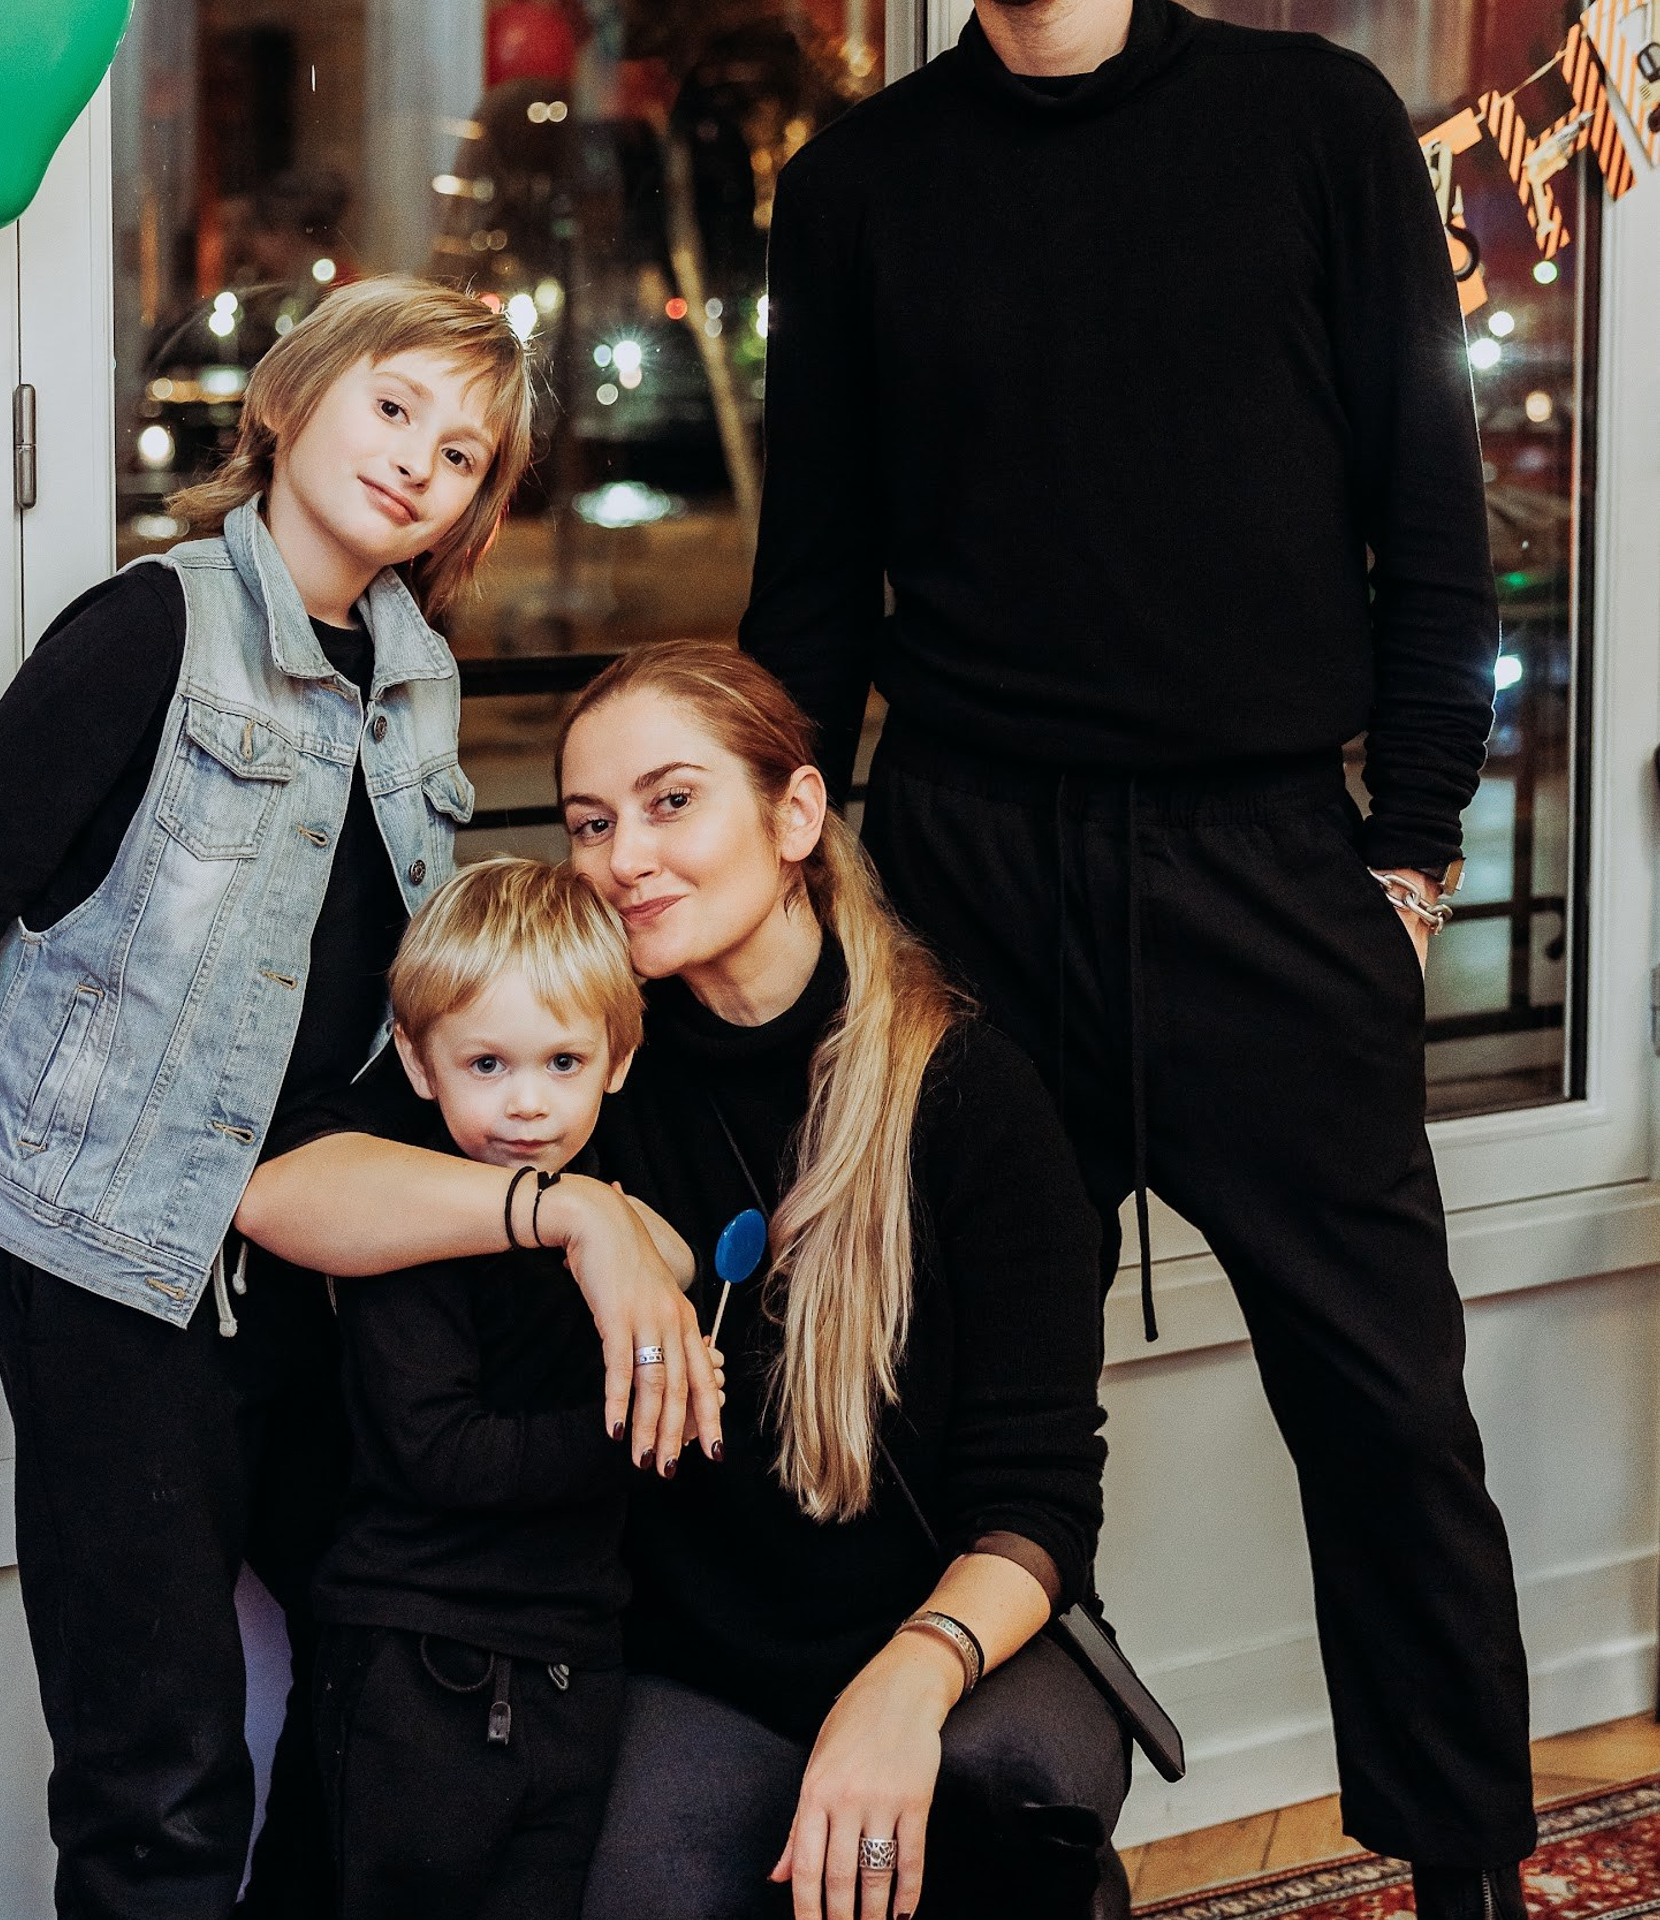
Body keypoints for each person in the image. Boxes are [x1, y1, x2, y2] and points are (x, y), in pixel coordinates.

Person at [739, 2, 1534, 1914]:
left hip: (1262, 860)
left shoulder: (1319, 123)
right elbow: (818, 574)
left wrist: (1411, 858)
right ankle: (997, 1847)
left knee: (1391, 1416)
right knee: (924, 1396)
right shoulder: (855, 185)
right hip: (962, 866)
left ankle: (1470, 1879)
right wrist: (786, 866)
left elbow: (1432, 517)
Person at [0, 275, 701, 1920]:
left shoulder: (419, 675)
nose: (420, 464)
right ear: (290, 401)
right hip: (114, 1254)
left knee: (385, 1659)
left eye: (463, 453)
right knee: (161, 1760)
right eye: (393, 409)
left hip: (312, 1249)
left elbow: (405, 992)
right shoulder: (154, 627)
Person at [241, 642, 1128, 1920]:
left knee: (1001, 1791)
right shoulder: (575, 1071)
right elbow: (282, 1191)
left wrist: (906, 1684)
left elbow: (1041, 1503)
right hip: (686, 1663)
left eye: (671, 802)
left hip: (938, 1635)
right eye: (592, 823)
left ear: (795, 815)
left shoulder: (966, 1093)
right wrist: (576, 1213)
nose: (623, 858)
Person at [313, 856, 720, 1919]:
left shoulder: (609, 1218)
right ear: (419, 1061)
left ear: (617, 1061)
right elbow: (441, 1453)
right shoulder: (411, 1233)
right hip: (423, 1661)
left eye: (562, 1062)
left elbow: (678, 1261)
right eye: (486, 1063)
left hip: (575, 1661)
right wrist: (641, 1423)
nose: (528, 1105)